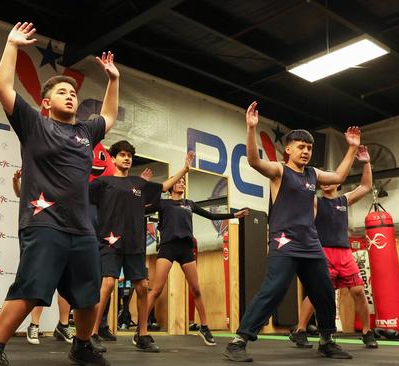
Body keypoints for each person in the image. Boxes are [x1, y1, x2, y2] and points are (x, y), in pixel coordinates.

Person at [0, 21, 119, 366]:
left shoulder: (86, 131)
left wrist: (114, 79)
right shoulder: (35, 124)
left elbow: (109, 114)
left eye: (74, 92)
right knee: (32, 288)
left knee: (87, 295)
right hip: (43, 222)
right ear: (46, 102)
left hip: (81, 227)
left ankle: (82, 345)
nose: (71, 95)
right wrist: (12, 45)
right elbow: (3, 87)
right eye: (62, 92)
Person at [223, 101, 358, 362]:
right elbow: (253, 160)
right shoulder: (279, 170)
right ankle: (239, 341)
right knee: (273, 290)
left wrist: (351, 148)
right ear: (288, 149)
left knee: (324, 291)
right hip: (284, 243)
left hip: (310, 242)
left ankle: (327, 340)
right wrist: (251, 129)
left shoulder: (312, 174)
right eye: (301, 147)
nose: (306, 151)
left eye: (309, 148)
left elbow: (339, 177)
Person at [88, 140, 194, 353]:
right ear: (114, 158)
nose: (127, 158)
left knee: (142, 288)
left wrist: (184, 168)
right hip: (110, 242)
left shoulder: (139, 183)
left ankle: (142, 334)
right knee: (107, 284)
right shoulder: (102, 183)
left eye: (129, 155)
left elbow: (164, 186)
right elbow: (79, 198)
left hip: (135, 244)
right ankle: (91, 335)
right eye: (122, 155)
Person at [290, 145, 378, 349]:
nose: (327, 184)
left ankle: (367, 332)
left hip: (345, 254)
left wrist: (366, 163)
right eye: (324, 181)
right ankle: (300, 330)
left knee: (358, 290)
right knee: (317, 293)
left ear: (337, 182)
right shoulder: (314, 201)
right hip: (323, 252)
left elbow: (365, 186)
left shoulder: (343, 200)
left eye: (332, 180)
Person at [147, 176, 249, 346]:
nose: (181, 183)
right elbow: (143, 206)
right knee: (156, 290)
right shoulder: (163, 204)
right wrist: (145, 186)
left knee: (197, 290)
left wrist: (234, 215)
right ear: (171, 186)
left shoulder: (189, 203)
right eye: (178, 182)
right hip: (168, 247)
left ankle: (204, 326)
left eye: (183, 182)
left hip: (186, 249)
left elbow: (210, 215)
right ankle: (141, 329)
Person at [11, 169, 75, 345]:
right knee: (40, 280)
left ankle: (63, 325)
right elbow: (20, 194)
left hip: (63, 230)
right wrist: (16, 181)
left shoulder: (65, 178)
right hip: (40, 231)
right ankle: (34, 324)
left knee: (65, 281)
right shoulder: (36, 176)